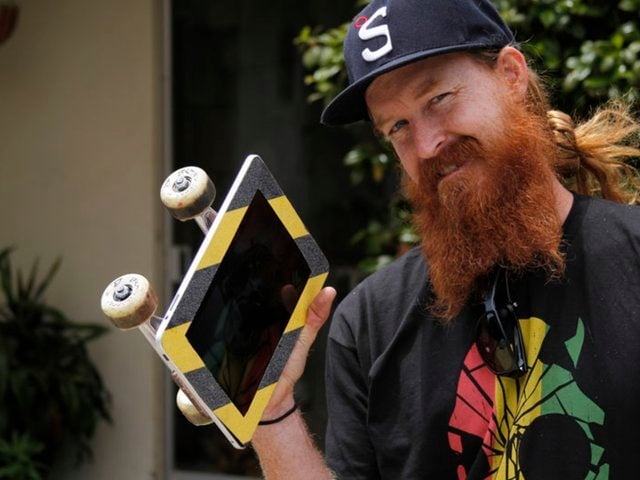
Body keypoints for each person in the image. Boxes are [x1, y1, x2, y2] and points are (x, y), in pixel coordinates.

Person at [249, 0, 640, 478]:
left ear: (511, 76)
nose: (427, 144)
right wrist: (271, 411)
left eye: (438, 98)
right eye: (397, 126)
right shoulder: (369, 322)